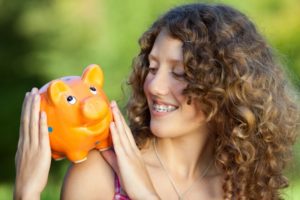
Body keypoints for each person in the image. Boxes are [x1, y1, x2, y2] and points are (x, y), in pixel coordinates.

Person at [14, 3, 299, 200]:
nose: (155, 85)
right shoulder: (99, 174)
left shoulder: (243, 186)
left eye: (180, 73)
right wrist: (26, 193)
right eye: (151, 68)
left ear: (227, 88)